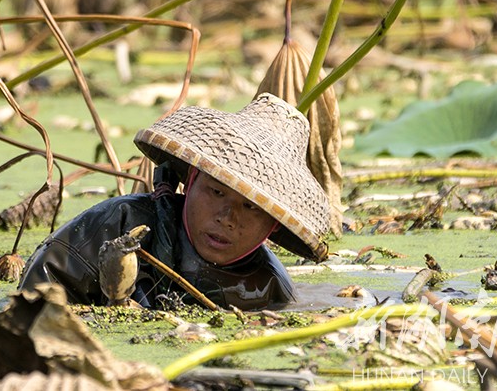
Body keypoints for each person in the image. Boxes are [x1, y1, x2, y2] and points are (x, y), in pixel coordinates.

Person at [18, 93, 332, 310]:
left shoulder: (269, 286)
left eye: (250, 206)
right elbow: (29, 302)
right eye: (216, 191)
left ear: (272, 226)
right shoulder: (117, 224)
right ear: (191, 181)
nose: (227, 217)